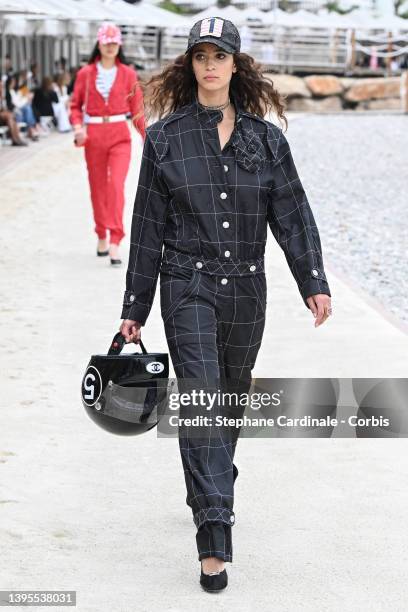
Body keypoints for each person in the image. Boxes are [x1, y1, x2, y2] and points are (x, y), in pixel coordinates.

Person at [119, 17, 332, 592]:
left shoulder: (267, 140)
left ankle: (206, 482)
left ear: (237, 64)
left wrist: (312, 278)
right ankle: (214, 535)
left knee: (227, 405)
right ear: (190, 65)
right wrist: (134, 307)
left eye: (220, 55)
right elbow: (146, 227)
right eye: (201, 55)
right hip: (185, 282)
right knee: (204, 397)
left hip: (246, 287)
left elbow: (291, 211)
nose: (210, 64)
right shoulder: (164, 138)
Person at [69, 22, 146, 265]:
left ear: (119, 44)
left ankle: (115, 239)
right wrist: (78, 128)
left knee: (116, 186)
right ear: (99, 43)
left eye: (114, 42)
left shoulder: (128, 74)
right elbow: (74, 106)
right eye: (106, 42)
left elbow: (137, 110)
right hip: (93, 134)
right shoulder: (85, 73)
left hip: (119, 135)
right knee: (98, 187)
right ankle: (101, 233)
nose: (111, 46)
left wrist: (147, 137)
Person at [5, 74, 40, 141]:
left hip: (18, 110)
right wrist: (26, 98)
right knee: (27, 108)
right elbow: (17, 104)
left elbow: (18, 102)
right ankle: (31, 129)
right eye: (13, 82)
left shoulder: (13, 91)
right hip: (15, 111)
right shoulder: (9, 92)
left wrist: (25, 98)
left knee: (28, 107)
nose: (14, 83)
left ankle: (31, 129)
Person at [0, 81, 27, 146]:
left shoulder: (2, 97)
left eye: (2, 87)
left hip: (3, 118)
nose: (1, 88)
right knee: (9, 116)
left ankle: (17, 138)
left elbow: (4, 108)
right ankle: (14, 139)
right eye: (0, 87)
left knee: (11, 117)